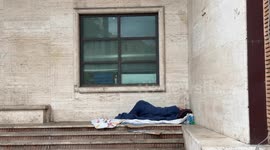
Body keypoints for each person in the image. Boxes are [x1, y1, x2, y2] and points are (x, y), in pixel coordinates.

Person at [115, 100, 192, 121]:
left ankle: (177, 109)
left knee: (159, 112)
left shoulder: (124, 117)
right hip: (141, 110)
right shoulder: (127, 117)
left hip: (141, 107)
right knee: (156, 115)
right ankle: (177, 110)